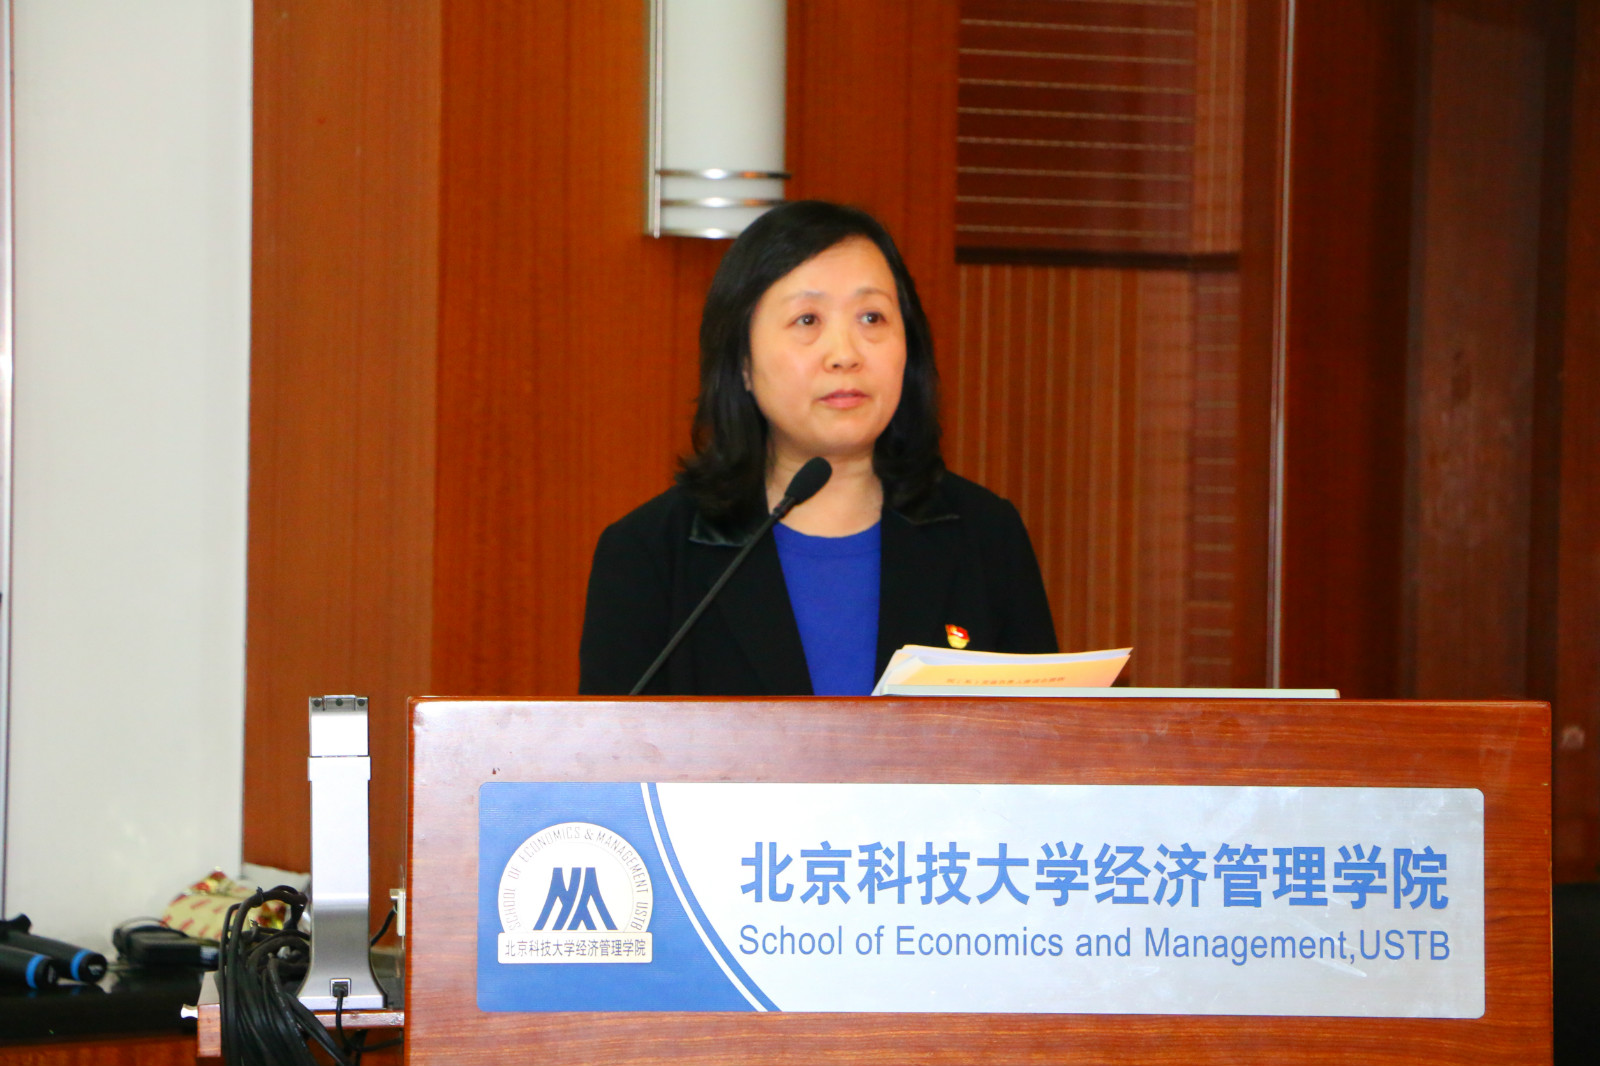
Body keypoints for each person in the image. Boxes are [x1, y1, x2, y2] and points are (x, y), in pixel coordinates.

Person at [579, 200, 1057, 696]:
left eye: (872, 317)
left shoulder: (985, 537)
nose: (845, 354)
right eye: (807, 320)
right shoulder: (649, 555)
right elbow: (613, 744)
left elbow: (1047, 737)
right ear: (742, 362)